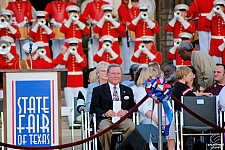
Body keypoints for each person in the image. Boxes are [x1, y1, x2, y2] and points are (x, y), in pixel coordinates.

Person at [90, 64, 135, 150]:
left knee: (131, 126)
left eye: (118, 73)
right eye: (113, 73)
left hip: (123, 119)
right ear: (108, 75)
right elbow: (93, 108)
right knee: (104, 129)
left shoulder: (128, 90)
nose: (116, 76)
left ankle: (124, 148)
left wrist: (126, 112)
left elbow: (133, 107)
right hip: (106, 119)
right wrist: (105, 113)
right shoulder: (98, 90)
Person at [134, 67, 175, 150]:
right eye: (155, 76)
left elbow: (168, 107)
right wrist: (158, 121)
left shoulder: (162, 89)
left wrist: (166, 119)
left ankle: (171, 147)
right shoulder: (140, 90)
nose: (158, 78)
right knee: (150, 124)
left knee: (171, 123)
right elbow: (144, 108)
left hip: (163, 116)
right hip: (148, 117)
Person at [80, 0, 109, 67]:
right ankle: (96, 68)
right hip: (94, 30)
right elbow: (83, 17)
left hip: (104, 32)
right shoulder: (90, 5)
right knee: (95, 51)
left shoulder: (106, 4)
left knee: (106, 51)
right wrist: (88, 19)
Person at [118, 0, 132, 74]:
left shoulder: (127, 8)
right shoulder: (122, 8)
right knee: (127, 51)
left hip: (129, 31)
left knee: (129, 51)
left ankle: (129, 68)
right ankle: (127, 69)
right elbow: (124, 20)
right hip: (125, 32)